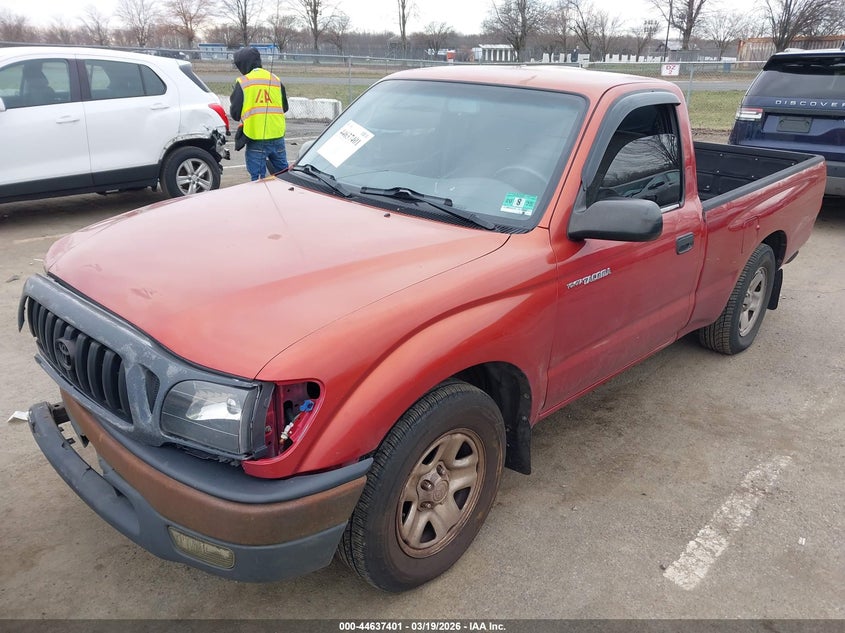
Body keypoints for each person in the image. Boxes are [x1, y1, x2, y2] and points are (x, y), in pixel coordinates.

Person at [229, 46, 290, 180]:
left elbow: (235, 114)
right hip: (277, 135)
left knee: (258, 179)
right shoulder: (275, 79)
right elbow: (284, 107)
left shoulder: (243, 82)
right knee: (284, 175)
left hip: (255, 137)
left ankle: (261, 200)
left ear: (242, 64)